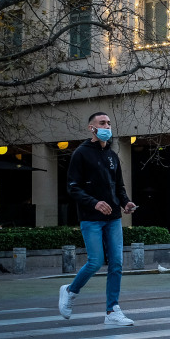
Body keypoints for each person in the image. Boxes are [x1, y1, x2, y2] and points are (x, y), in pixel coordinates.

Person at [59, 112, 137, 326]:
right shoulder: (80, 154)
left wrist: (126, 203)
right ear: (91, 128)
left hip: (113, 217)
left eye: (109, 123)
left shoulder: (112, 155)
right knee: (95, 261)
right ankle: (70, 290)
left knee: (117, 264)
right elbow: (73, 188)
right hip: (90, 217)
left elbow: (118, 186)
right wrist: (94, 202)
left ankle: (112, 311)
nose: (107, 126)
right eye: (102, 123)